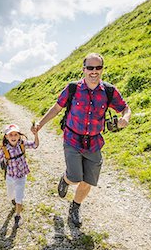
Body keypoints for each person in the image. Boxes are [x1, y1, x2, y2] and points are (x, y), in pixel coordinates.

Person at [32, 53, 131, 227]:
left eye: (98, 68)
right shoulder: (73, 88)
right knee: (75, 177)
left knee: (88, 181)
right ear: (84, 69)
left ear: (102, 69)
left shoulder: (108, 91)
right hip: (72, 139)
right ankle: (66, 179)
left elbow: (125, 108)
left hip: (94, 143)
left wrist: (126, 118)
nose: (94, 71)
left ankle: (75, 208)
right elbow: (56, 108)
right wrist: (40, 123)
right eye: (90, 68)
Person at [0, 124, 39, 228]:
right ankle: (13, 199)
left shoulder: (22, 144)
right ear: (6, 136)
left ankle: (17, 216)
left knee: (19, 197)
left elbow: (35, 145)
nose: (13, 137)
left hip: (21, 176)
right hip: (10, 176)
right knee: (10, 195)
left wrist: (36, 135)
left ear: (19, 135)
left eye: (15, 134)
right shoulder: (4, 150)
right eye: (11, 135)